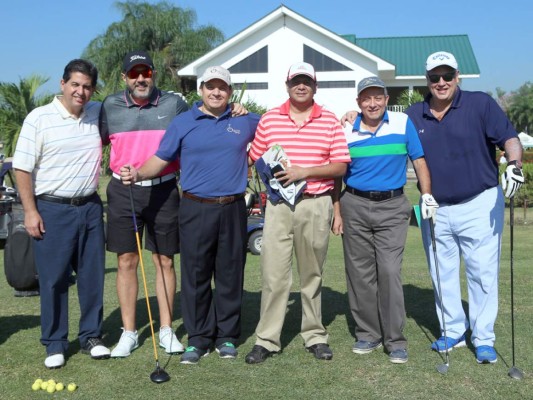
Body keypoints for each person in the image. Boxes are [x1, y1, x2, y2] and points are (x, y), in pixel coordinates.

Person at [343, 51, 524, 364]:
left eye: (447, 75)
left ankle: (483, 337)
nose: (441, 82)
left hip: (479, 202)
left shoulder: (480, 103)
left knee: (482, 273)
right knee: (442, 271)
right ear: (426, 80)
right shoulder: (413, 114)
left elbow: (509, 138)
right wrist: (351, 114)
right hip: (435, 206)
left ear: (457, 77)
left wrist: (516, 164)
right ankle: (452, 329)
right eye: (434, 77)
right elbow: (380, 119)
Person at [120, 66, 260, 364]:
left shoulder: (245, 121)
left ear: (230, 92)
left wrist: (346, 118)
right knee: (195, 274)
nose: (216, 92)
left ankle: (226, 337)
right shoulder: (183, 122)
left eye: (222, 87)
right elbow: (161, 158)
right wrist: (139, 172)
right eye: (211, 86)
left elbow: (278, 126)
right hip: (195, 207)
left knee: (229, 273)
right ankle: (198, 339)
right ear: (201, 90)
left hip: (233, 206)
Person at [244, 62, 351, 364]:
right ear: (287, 85)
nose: (301, 86)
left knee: (311, 274)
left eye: (306, 82)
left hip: (316, 204)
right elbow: (256, 158)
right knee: (273, 274)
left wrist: (305, 171)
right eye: (296, 81)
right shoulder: (269, 120)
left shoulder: (329, 120)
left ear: (315, 87)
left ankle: (315, 335)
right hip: (278, 207)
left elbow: (340, 165)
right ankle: (267, 339)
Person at [332, 76, 437, 365]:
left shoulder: (403, 124)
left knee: (389, 271)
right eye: (367, 98)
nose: (373, 103)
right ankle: (368, 333)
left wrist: (426, 195)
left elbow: (419, 160)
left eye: (378, 97)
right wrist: (337, 210)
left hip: (392, 206)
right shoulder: (345, 129)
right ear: (358, 102)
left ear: (387, 99)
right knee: (359, 273)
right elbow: (337, 174)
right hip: (354, 203)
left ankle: (395, 340)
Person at [13, 59, 110, 369]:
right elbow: (22, 167)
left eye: (87, 87)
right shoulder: (39, 118)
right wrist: (30, 211)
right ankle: (54, 342)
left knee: (92, 276)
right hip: (52, 208)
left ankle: (91, 336)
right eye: (75, 84)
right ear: (63, 84)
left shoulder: (97, 113)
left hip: (91, 206)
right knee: (54, 279)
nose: (80, 91)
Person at [99, 50, 188, 357]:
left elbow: (202, 122)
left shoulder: (174, 104)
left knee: (164, 260)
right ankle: (129, 332)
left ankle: (166, 329)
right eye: (134, 74)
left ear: (153, 74)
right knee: (126, 261)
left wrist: (239, 109)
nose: (140, 79)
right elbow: (94, 142)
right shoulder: (109, 106)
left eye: (146, 73)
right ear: (125, 77)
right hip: (124, 192)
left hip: (164, 190)